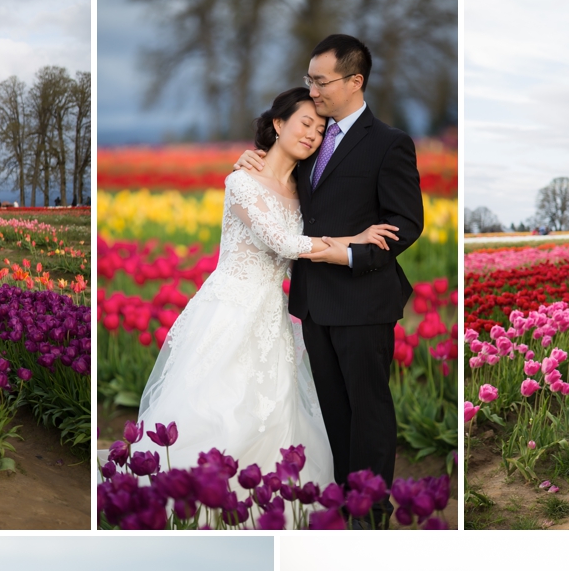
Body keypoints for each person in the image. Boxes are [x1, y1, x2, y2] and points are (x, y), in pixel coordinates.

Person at [137, 88, 391, 490]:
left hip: (272, 314)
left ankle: (265, 495)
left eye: (320, 129)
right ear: (278, 124)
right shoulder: (242, 181)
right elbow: (285, 244)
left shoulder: (305, 191)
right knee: (220, 406)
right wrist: (352, 242)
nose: (312, 134)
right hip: (231, 307)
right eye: (304, 123)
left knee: (273, 409)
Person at [235, 34, 424, 493]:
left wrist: (354, 252)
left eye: (321, 81)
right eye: (309, 80)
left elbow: (406, 222)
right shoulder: (313, 140)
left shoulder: (388, 143)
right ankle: (343, 499)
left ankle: (371, 513)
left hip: (363, 302)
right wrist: (252, 158)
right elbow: (280, 184)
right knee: (332, 414)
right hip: (313, 304)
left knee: (369, 413)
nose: (313, 90)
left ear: (355, 81)